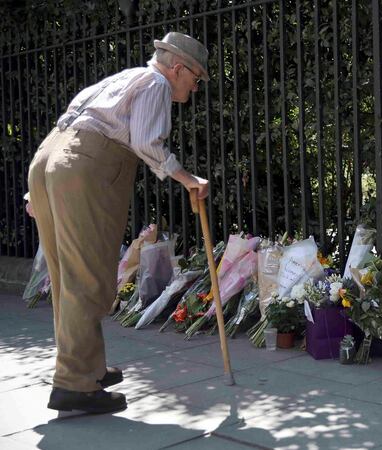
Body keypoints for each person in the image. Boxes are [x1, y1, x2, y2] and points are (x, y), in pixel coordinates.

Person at [27, 32, 211, 414]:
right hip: (85, 169)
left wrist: (41, 189)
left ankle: (86, 368)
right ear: (177, 68)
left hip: (49, 160)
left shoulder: (121, 78)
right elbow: (147, 142)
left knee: (65, 276)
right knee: (88, 277)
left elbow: (69, 124)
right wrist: (187, 178)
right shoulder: (157, 82)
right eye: (195, 79)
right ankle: (75, 384)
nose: (194, 89)